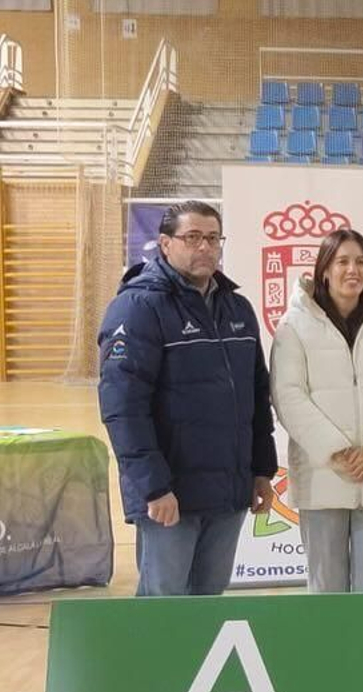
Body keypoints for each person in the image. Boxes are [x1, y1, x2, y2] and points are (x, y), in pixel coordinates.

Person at [98, 201, 276, 596]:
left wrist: (261, 469)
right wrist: (153, 487)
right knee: (165, 610)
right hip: (169, 496)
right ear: (165, 244)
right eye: (192, 237)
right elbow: (122, 408)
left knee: (208, 606)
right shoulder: (138, 307)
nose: (205, 248)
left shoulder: (238, 308)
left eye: (213, 238)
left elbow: (256, 395)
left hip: (228, 491)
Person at [269, 228, 363, 592]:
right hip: (324, 477)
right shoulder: (294, 325)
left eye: (360, 262)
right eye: (342, 261)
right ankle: (325, 652)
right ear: (324, 269)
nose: (352, 270)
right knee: (327, 591)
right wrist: (335, 452)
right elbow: (287, 395)